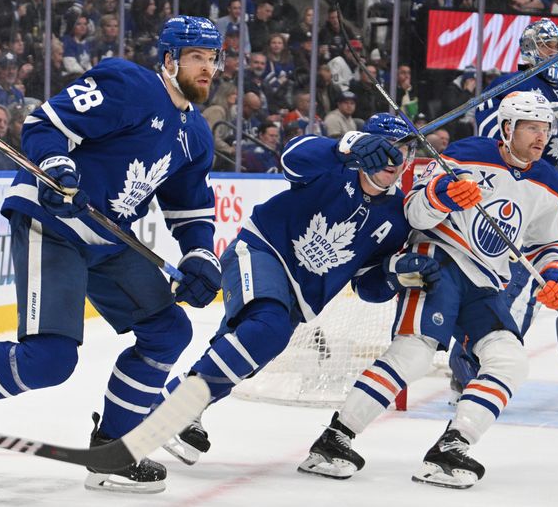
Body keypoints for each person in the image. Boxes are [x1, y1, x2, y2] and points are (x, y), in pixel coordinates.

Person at [0, 15, 226, 494]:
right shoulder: (129, 85)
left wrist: (200, 253)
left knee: (168, 330)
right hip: (51, 221)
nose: (206, 68)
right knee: (50, 360)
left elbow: (191, 205)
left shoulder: (195, 134)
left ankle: (112, 449)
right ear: (170, 58)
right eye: (196, 57)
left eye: (213, 59)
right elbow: (45, 123)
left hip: (106, 234)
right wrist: (58, 166)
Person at [299, 91, 558, 489]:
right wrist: (440, 196)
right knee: (413, 353)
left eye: (546, 129)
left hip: (486, 280)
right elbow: (414, 211)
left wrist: (557, 276)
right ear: (508, 127)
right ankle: (333, 441)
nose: (541, 137)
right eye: (532, 127)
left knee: (510, 361)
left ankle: (452, 447)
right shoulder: (464, 154)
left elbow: (548, 245)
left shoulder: (550, 181)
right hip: (437, 259)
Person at [159, 114, 435, 464]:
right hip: (261, 251)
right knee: (268, 330)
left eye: (403, 152)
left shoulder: (397, 219)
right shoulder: (334, 167)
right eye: (385, 150)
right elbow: (292, 156)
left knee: (251, 347)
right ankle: (177, 403)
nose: (394, 161)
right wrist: (343, 146)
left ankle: (187, 406)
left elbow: (367, 287)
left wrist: (394, 274)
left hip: (299, 299)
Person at [460, 18, 558, 393]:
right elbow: (487, 136)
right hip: (529, 209)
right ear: (529, 48)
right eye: (547, 45)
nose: (554, 52)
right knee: (513, 300)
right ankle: (472, 368)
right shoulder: (507, 87)